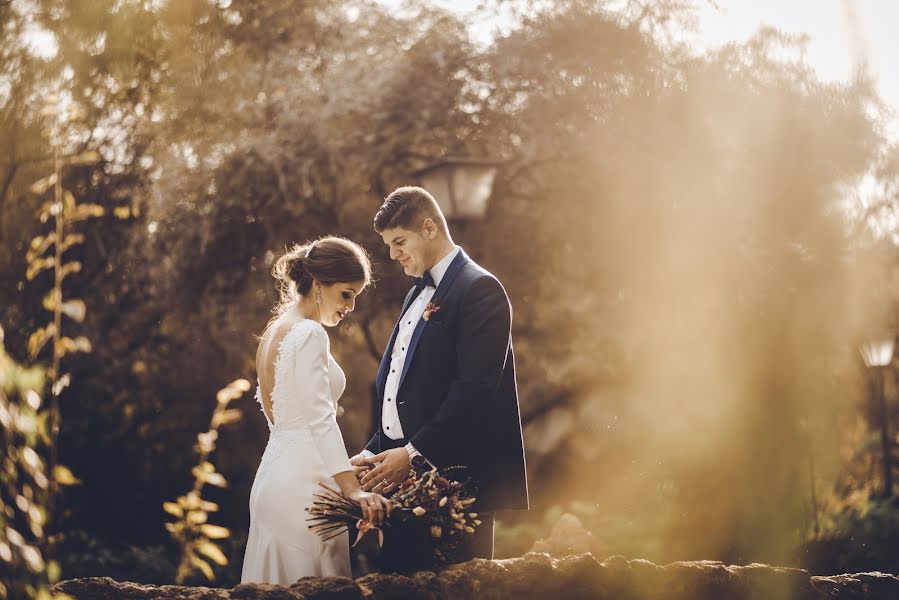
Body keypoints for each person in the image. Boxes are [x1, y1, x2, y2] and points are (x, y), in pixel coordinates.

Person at [351, 186, 528, 564]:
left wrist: (414, 454)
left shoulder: (481, 289)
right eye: (388, 245)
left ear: (430, 228)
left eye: (399, 241)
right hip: (401, 486)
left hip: (457, 486)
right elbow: (401, 388)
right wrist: (372, 453)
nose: (393, 254)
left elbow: (475, 390)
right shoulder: (414, 295)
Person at [241, 236, 391, 584]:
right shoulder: (309, 334)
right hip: (305, 493)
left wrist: (335, 465)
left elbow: (284, 420)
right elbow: (320, 420)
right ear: (319, 285)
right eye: (346, 294)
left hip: (274, 481)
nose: (351, 306)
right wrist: (352, 489)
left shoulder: (274, 332)